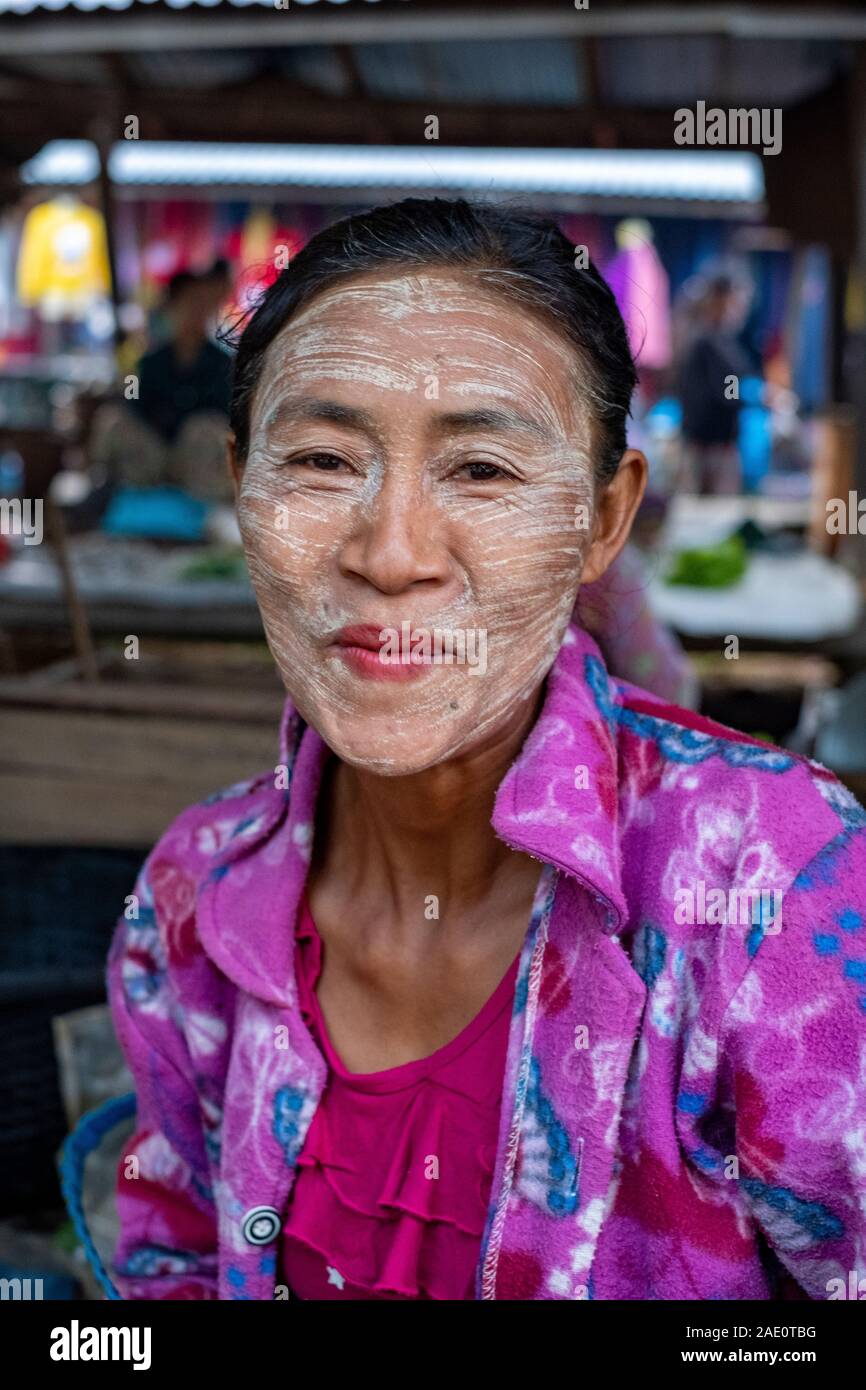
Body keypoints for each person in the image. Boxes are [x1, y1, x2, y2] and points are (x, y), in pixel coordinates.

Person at [106, 198, 866, 1301]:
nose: (390, 552)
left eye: (481, 471)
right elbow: (166, 1266)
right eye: (320, 459)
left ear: (603, 520)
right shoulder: (192, 894)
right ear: (240, 482)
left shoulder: (771, 876)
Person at [89, 268, 234, 503]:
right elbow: (133, 403)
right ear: (171, 308)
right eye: (187, 303)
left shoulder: (222, 364)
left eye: (200, 304)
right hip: (154, 454)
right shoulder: (150, 362)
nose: (194, 312)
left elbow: (224, 414)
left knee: (205, 429)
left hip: (196, 461)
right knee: (112, 419)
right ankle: (110, 492)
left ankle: (202, 507)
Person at [677, 270, 756, 495]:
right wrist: (753, 396)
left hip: (712, 443)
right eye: (739, 302)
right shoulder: (709, 342)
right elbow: (725, 391)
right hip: (709, 448)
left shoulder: (719, 340)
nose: (742, 309)